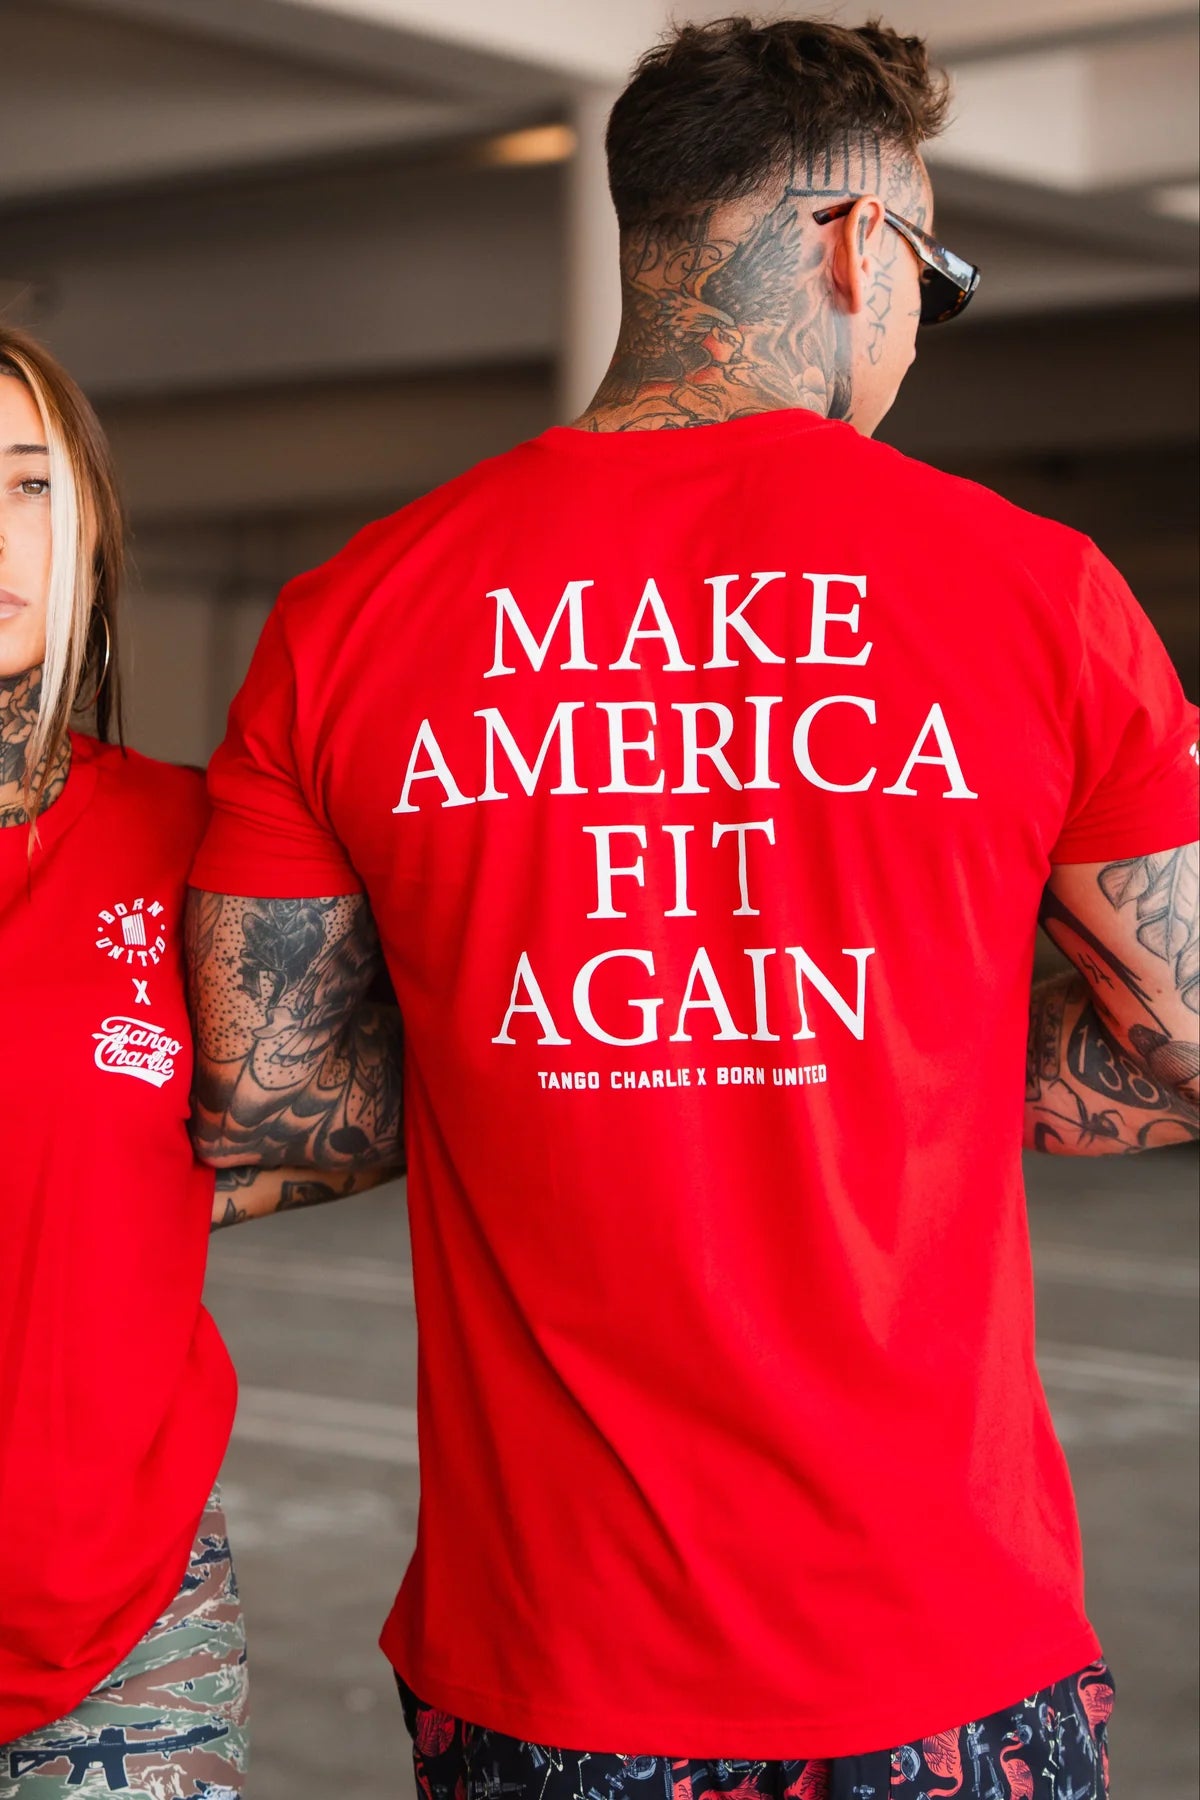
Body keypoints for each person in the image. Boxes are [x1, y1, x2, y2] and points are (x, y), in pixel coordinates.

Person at [186, 16, 1199, 1798]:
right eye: (930, 277)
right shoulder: (1043, 597)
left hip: (544, 1657)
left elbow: (281, 1105)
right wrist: (921, 1043)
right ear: (850, 243)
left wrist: (534, 1039)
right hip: (936, 1643)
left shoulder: (353, 617)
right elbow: (1190, 1043)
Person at [0, 326, 389, 1800]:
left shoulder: (199, 844)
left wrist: (160, 1192)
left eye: (32, 486)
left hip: (122, 1643)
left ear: (91, 532)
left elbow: (402, 1077)